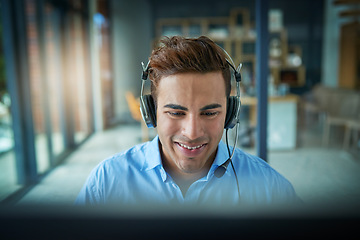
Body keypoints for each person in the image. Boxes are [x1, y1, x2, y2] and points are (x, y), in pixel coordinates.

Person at [75, 36, 299, 206]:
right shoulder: (107, 182)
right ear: (151, 112)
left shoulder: (270, 187)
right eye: (175, 113)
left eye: (210, 113)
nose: (192, 133)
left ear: (230, 113)